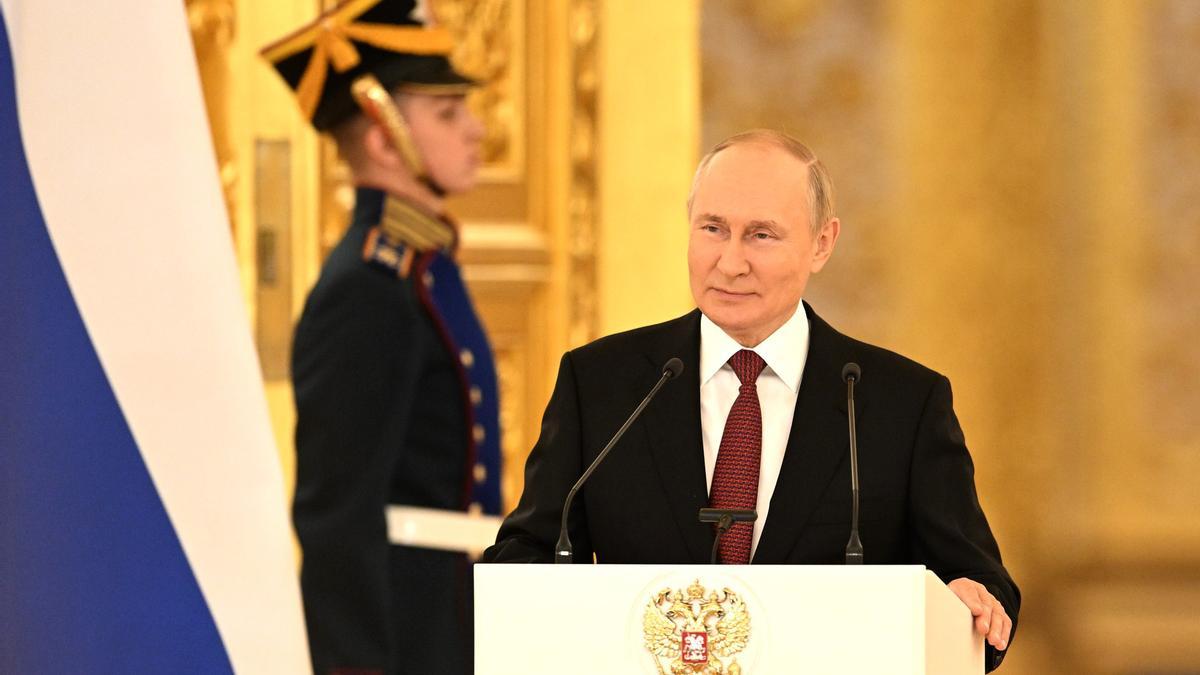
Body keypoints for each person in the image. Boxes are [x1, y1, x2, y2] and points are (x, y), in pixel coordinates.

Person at [484, 129, 1019, 671]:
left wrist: (973, 603)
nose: (730, 261)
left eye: (761, 236)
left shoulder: (899, 403)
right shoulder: (603, 384)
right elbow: (526, 554)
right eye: (713, 229)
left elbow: (980, 586)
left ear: (822, 243)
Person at [261, 1, 502, 673]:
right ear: (381, 136)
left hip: (449, 618)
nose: (478, 130)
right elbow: (337, 517)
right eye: (448, 114)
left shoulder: (421, 268)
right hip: (407, 633)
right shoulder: (367, 288)